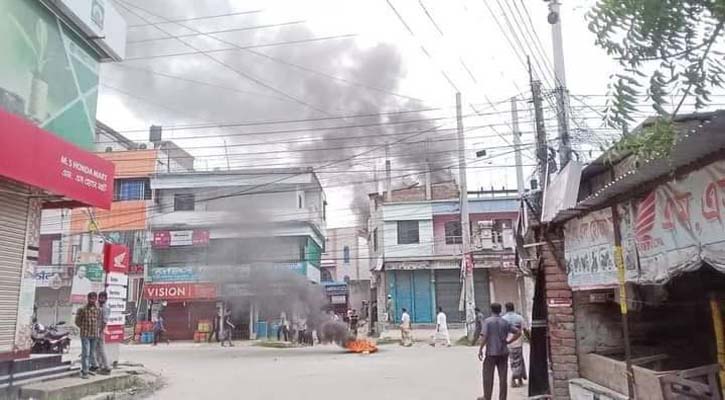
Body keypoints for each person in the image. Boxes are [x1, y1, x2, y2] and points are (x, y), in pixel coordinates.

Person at [477, 303, 521, 400]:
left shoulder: (487, 322)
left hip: (491, 353)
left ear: (491, 310)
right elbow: (518, 332)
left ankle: (487, 396)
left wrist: (480, 349)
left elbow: (484, 336)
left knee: (488, 376)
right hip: (503, 352)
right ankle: (502, 398)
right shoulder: (505, 322)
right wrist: (509, 341)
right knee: (503, 377)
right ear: (500, 310)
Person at [502, 302, 528, 388]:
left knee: (514, 361)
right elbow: (525, 330)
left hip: (508, 343)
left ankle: (520, 379)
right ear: (514, 307)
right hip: (518, 342)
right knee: (518, 360)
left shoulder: (503, 319)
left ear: (506, 308)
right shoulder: (519, 318)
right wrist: (530, 339)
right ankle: (514, 378)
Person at [74, 292, 99, 379]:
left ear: (96, 299)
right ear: (88, 299)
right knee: (86, 353)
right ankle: (85, 372)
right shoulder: (82, 309)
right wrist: (83, 327)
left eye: (94, 298)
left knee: (92, 353)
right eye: (91, 298)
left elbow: (99, 321)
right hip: (85, 334)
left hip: (95, 334)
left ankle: (90, 369)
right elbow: (77, 321)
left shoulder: (98, 309)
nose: (92, 300)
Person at [93, 292, 111, 375]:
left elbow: (104, 321)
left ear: (105, 299)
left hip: (100, 331)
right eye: (100, 298)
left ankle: (106, 367)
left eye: (102, 298)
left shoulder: (105, 307)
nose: (101, 299)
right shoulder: (99, 306)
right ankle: (101, 366)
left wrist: (100, 331)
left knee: (101, 349)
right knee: (97, 349)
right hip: (96, 330)